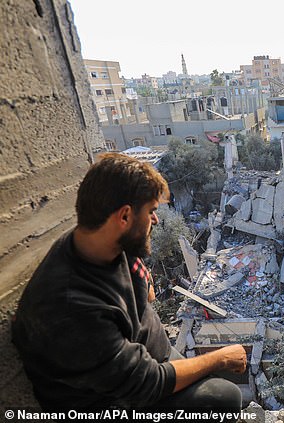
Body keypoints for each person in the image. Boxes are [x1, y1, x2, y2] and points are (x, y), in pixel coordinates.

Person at [12, 153, 246, 416]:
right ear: (124, 216)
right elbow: (148, 384)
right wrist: (220, 357)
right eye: (151, 212)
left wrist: (143, 280)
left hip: (146, 357)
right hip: (109, 401)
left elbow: (144, 286)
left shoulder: (103, 240)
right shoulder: (72, 309)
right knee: (224, 399)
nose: (155, 221)